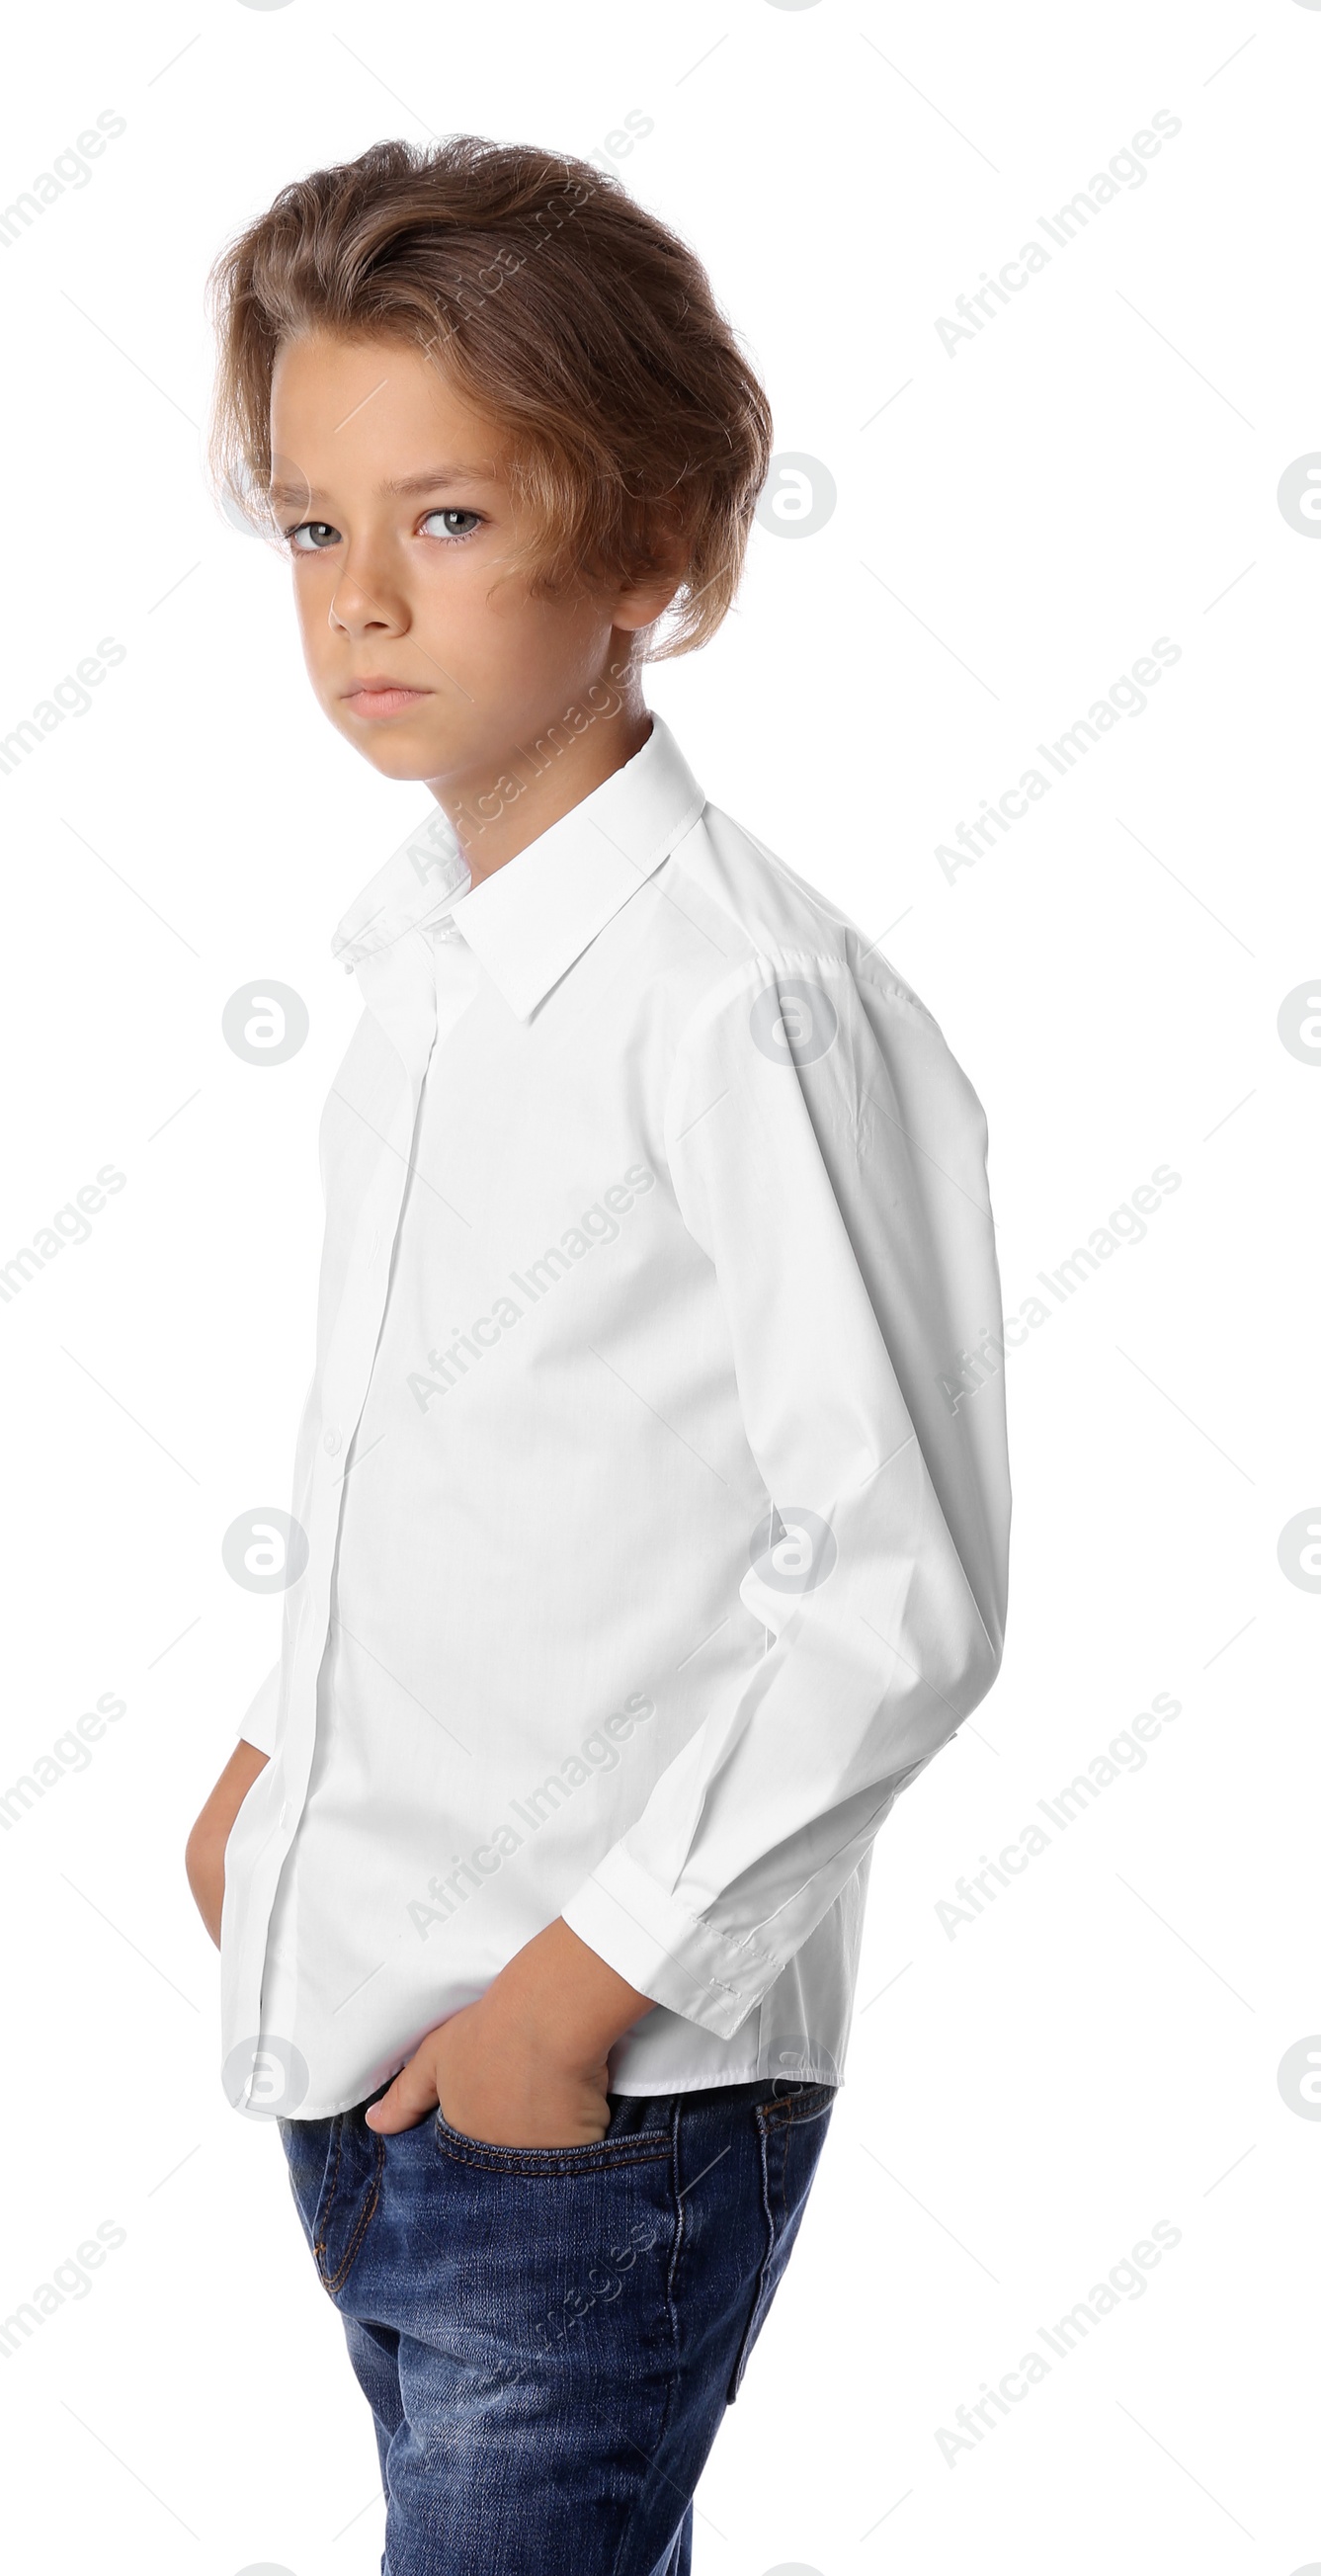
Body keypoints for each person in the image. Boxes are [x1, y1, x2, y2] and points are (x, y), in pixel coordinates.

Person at [186, 135, 1011, 2576]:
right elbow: (450, 1464)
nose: (357, 602)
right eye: (310, 528)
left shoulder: (737, 1006)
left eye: (441, 519)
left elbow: (897, 1584)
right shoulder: (424, 970)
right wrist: (261, 1777)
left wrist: (574, 1994)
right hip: (372, 2033)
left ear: (646, 548)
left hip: (596, 2089)